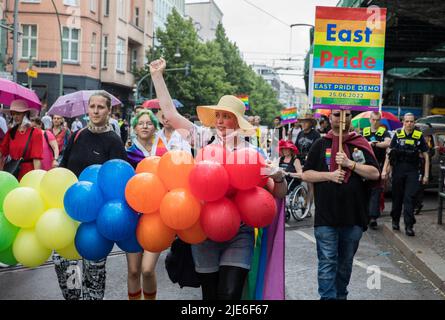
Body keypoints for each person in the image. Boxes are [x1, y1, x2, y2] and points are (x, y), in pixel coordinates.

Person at [150, 57, 287, 300]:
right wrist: (157, 76)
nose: (221, 122)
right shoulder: (202, 138)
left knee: (230, 293)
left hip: (240, 233)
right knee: (210, 295)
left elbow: (278, 193)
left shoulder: (254, 153)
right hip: (204, 232)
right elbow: (170, 114)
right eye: (219, 116)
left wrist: (278, 177)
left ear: (237, 122)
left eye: (227, 117)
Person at [52, 91, 128, 300]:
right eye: (92, 106)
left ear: (109, 110)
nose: (95, 111)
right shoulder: (77, 135)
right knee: (64, 264)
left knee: (93, 273)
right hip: (71, 212)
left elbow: (120, 182)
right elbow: (64, 168)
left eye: (100, 107)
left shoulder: (114, 141)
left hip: (96, 220)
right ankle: (74, 297)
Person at [302, 109, 380, 300]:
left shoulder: (360, 144)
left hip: (353, 216)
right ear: (330, 118)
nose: (341, 118)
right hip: (326, 217)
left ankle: (340, 296)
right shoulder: (320, 144)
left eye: (346, 114)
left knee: (344, 264)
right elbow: (306, 174)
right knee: (327, 262)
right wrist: (328, 175)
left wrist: (349, 164)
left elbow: (375, 174)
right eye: (337, 114)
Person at [124, 109, 163, 300]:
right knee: (133, 271)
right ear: (135, 128)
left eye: (149, 123)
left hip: (155, 217)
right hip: (132, 215)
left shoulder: (164, 152)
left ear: (155, 128)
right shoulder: (128, 154)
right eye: (141, 123)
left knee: (147, 270)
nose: (145, 126)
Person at [382, 113, 429, 236]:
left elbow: (426, 156)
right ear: (403, 122)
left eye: (411, 121)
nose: (409, 123)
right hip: (398, 170)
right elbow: (389, 153)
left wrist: (426, 175)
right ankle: (395, 221)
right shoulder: (397, 135)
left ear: (414, 122)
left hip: (412, 171)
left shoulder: (418, 136)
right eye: (407, 121)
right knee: (397, 197)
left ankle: (409, 225)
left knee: (409, 198)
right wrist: (384, 170)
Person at [361, 112, 391, 229]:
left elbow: (388, 143)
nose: (375, 122)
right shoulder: (364, 131)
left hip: (379, 165)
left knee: (376, 191)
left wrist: (375, 144)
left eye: (378, 120)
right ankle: (365, 216)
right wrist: (368, 144)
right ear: (370, 120)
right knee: (364, 191)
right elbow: (358, 143)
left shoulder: (384, 132)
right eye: (373, 119)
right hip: (365, 165)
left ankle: (373, 217)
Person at [0, 100, 43, 180]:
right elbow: (2, 151)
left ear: (26, 114)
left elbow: (36, 159)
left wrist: (37, 179)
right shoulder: (11, 132)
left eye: (18, 113)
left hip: (28, 173)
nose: (15, 116)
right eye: (13, 114)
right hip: (12, 172)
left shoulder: (36, 132)